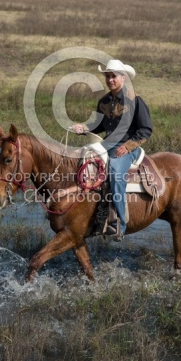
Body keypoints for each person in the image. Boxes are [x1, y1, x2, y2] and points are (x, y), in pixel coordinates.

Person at [72, 59, 153, 240]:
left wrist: (128, 146)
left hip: (126, 148)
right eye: (107, 76)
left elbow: (145, 130)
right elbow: (98, 125)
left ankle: (119, 224)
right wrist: (84, 128)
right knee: (80, 162)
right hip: (106, 145)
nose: (110, 80)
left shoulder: (136, 100)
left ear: (123, 78)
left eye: (113, 76)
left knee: (116, 174)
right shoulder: (104, 101)